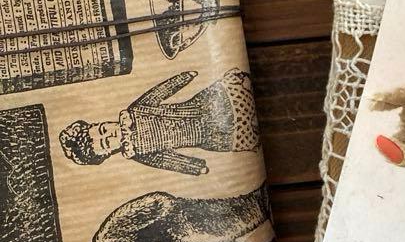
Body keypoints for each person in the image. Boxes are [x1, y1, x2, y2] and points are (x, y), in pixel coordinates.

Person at [58, 68, 259, 176]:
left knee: (237, 94)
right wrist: (194, 167)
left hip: (201, 107)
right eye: (106, 142)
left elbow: (159, 92)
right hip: (206, 137)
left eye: (103, 129)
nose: (110, 134)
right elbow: (167, 161)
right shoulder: (140, 153)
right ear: (108, 153)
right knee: (247, 132)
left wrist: (183, 78)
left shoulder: (136, 111)